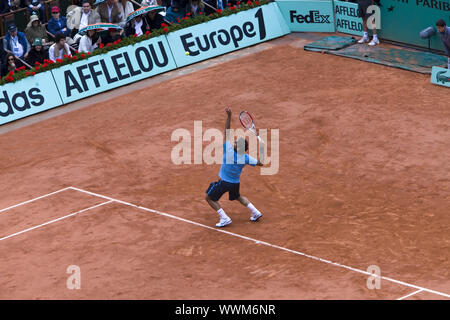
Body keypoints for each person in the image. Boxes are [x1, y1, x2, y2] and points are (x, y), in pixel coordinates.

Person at [205, 107, 264, 228]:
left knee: (209, 198)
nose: (234, 142)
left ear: (239, 147)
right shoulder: (246, 158)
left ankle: (224, 218)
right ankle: (255, 212)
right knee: (237, 196)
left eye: (236, 143)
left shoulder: (229, 150)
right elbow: (261, 163)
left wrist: (229, 116)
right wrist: (262, 146)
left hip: (224, 182)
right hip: (235, 183)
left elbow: (227, 131)